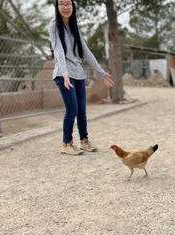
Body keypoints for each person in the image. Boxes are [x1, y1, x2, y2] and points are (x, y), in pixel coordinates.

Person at [48, 0, 114, 155]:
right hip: (63, 74)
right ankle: (66, 143)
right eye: (62, 4)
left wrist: (101, 71)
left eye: (68, 4)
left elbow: (86, 51)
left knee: (82, 111)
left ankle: (84, 141)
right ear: (57, 7)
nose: (65, 7)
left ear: (72, 7)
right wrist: (64, 72)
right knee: (72, 109)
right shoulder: (53, 27)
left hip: (77, 73)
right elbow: (58, 50)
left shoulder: (74, 28)